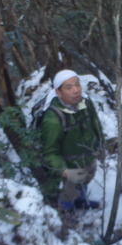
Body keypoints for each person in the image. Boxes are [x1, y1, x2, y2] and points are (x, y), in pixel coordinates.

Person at [41, 69, 104, 212]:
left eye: (77, 85)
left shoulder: (86, 104)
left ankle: (81, 202)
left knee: (84, 184)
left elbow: (96, 125)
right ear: (58, 92)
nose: (76, 90)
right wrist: (65, 172)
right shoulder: (53, 119)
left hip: (87, 160)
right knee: (69, 194)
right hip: (69, 168)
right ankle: (68, 216)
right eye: (68, 87)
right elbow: (49, 152)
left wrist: (100, 145)